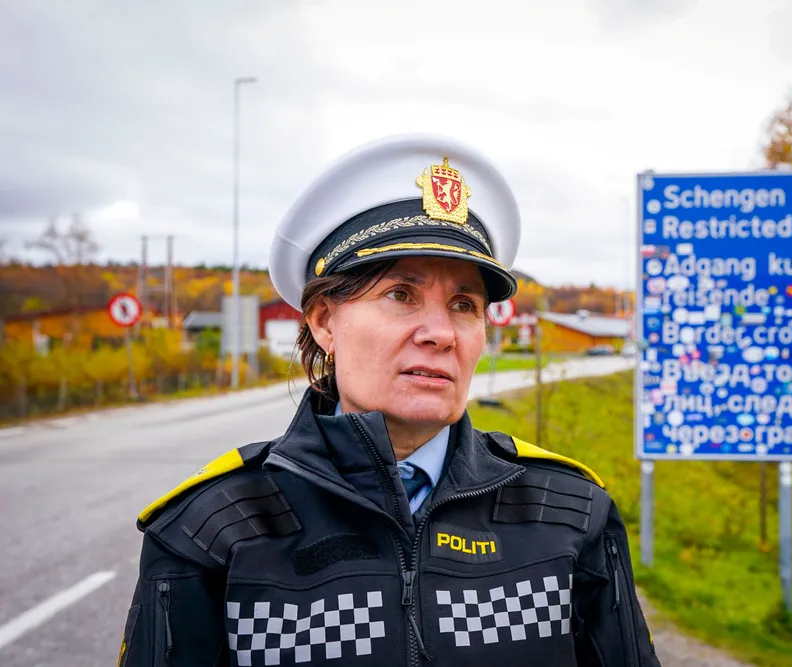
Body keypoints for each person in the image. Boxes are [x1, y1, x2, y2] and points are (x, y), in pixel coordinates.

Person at [117, 134, 660, 666]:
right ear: (324, 322)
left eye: (464, 305)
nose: (440, 334)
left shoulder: (568, 511)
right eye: (401, 295)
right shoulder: (213, 526)